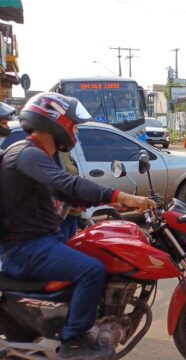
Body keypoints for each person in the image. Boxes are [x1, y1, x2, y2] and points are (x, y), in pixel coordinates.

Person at [0, 92, 155, 360]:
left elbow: (59, 193)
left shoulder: (35, 155)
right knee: (92, 270)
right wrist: (122, 196)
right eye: (73, 126)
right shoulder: (27, 154)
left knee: (94, 252)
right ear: (55, 123)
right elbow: (69, 183)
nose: (75, 132)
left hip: (40, 241)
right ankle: (74, 342)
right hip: (26, 249)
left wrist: (112, 206)